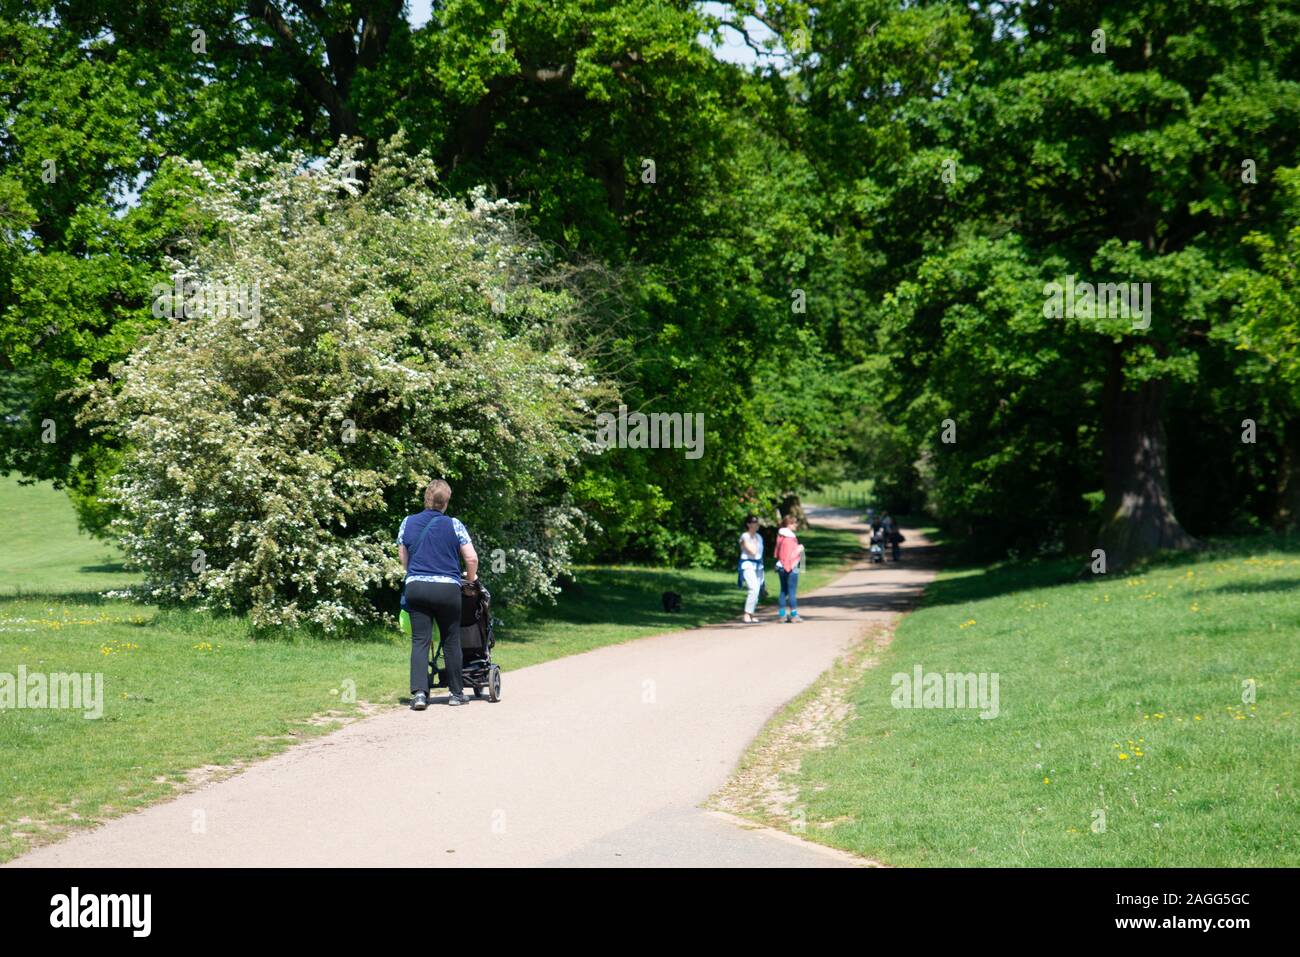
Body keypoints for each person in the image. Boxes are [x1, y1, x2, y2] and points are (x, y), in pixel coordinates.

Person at [398, 479, 479, 710]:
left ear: (426, 498)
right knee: (451, 639)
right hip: (447, 589)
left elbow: (403, 556)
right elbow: (471, 558)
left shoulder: (408, 522)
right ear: (446, 502)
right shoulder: (455, 525)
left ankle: (420, 695)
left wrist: (413, 573)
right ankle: (456, 693)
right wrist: (470, 580)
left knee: (420, 641)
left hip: (416, 587)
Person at [774, 512, 805, 622]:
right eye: (794, 523)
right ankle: (794, 615)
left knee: (783, 591)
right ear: (789, 524)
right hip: (792, 566)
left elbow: (777, 553)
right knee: (792, 591)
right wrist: (799, 549)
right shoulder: (790, 538)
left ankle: (782, 615)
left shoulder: (780, 536)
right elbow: (791, 555)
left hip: (780, 566)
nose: (796, 525)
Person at [737, 515, 765, 623]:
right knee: (753, 589)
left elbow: (760, 554)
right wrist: (752, 543)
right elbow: (751, 551)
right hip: (747, 564)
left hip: (758, 566)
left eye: (757, 522)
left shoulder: (759, 537)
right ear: (748, 524)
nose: (756, 524)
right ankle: (746, 614)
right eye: (753, 522)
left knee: (757, 590)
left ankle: (751, 613)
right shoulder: (745, 536)